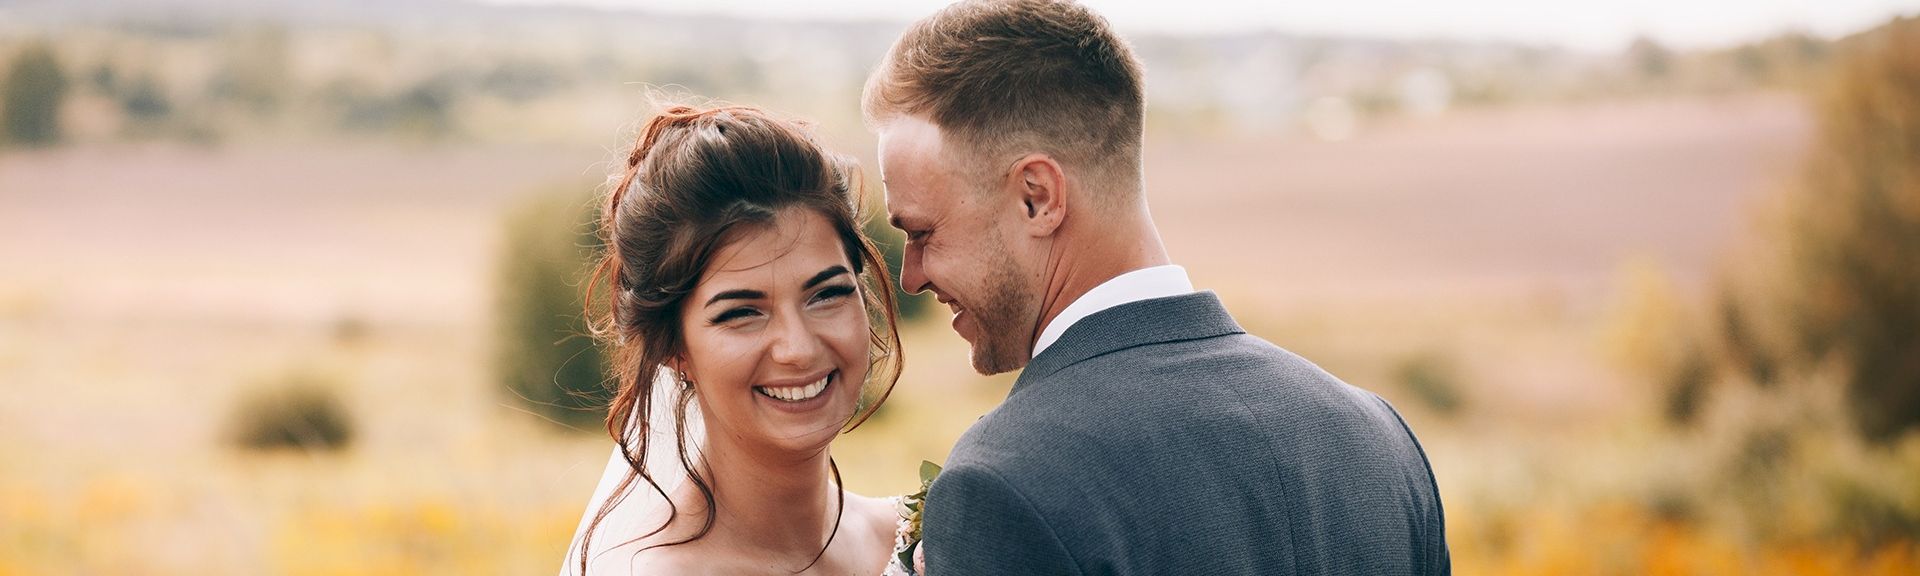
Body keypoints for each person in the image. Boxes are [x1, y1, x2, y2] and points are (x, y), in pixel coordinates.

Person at [862, 1, 1451, 574]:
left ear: (1036, 197)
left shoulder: (1004, 487)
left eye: (922, 231)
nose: (911, 277)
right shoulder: (1379, 438)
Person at [561, 104, 910, 575]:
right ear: (672, 347)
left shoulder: (916, 539)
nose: (799, 348)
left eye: (826, 294)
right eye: (742, 313)